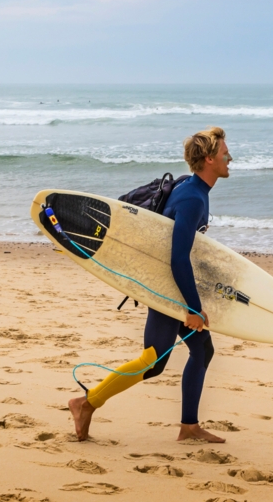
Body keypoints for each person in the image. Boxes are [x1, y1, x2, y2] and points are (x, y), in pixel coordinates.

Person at [69, 127, 233, 443]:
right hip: (165, 285)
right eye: (225, 152)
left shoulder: (192, 186)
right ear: (209, 158)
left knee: (201, 349)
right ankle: (85, 403)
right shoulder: (192, 198)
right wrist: (192, 307)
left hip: (166, 282)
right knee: (153, 360)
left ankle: (189, 427)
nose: (230, 157)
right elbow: (178, 258)